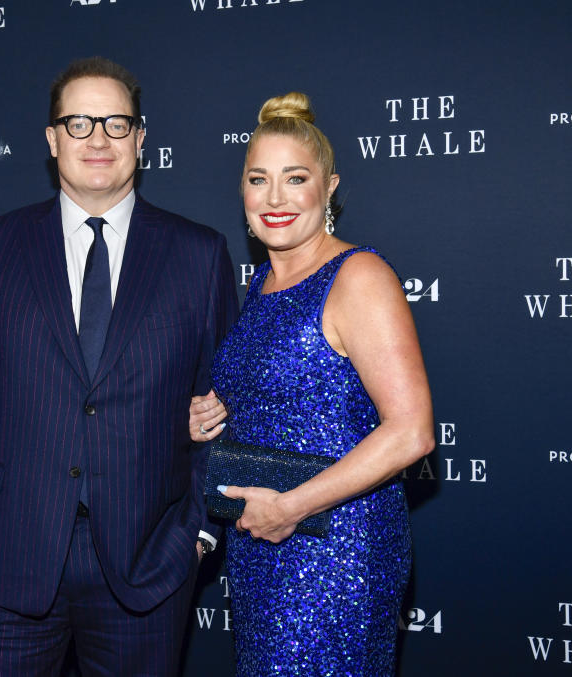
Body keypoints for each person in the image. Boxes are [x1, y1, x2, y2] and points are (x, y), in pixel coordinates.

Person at [0, 57, 238, 676]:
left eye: (116, 123)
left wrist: (200, 535)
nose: (98, 139)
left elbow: (224, 407)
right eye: (79, 123)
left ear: (141, 138)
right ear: (52, 138)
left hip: (148, 564)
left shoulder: (199, 254)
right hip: (5, 558)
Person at [189, 92, 434, 675]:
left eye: (295, 178)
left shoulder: (359, 276)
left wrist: (293, 506)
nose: (274, 198)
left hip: (337, 549)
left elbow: (412, 433)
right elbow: (282, 396)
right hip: (260, 540)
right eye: (258, 179)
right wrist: (212, 414)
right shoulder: (259, 285)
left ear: (329, 188)